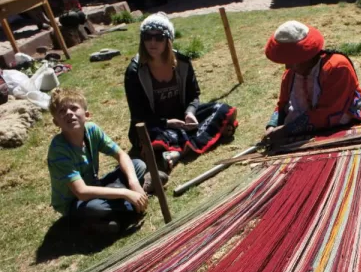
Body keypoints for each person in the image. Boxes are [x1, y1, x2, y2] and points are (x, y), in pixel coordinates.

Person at [263, 20, 361, 177]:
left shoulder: (336, 67)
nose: (287, 67)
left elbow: (328, 113)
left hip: (341, 125)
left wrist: (287, 130)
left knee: (358, 165)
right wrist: (272, 125)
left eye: (291, 61)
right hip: (302, 130)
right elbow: (282, 105)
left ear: (306, 56)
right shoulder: (290, 75)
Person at [125, 12, 238, 172]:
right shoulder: (135, 71)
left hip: (180, 117)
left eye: (159, 37)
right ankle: (203, 137)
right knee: (150, 135)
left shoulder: (182, 63)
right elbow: (138, 114)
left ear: (168, 40)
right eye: (147, 37)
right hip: (154, 124)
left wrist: (190, 112)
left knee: (220, 108)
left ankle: (175, 152)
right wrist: (166, 123)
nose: (152, 42)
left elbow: (193, 94)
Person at [47, 88, 164, 234]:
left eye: (74, 108)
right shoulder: (58, 150)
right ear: (56, 122)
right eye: (62, 111)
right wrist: (125, 193)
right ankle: (136, 199)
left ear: (87, 115)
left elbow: (121, 155)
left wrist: (133, 182)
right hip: (75, 203)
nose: (69, 113)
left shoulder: (92, 130)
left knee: (138, 165)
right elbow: (82, 192)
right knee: (96, 208)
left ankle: (119, 214)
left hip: (95, 186)